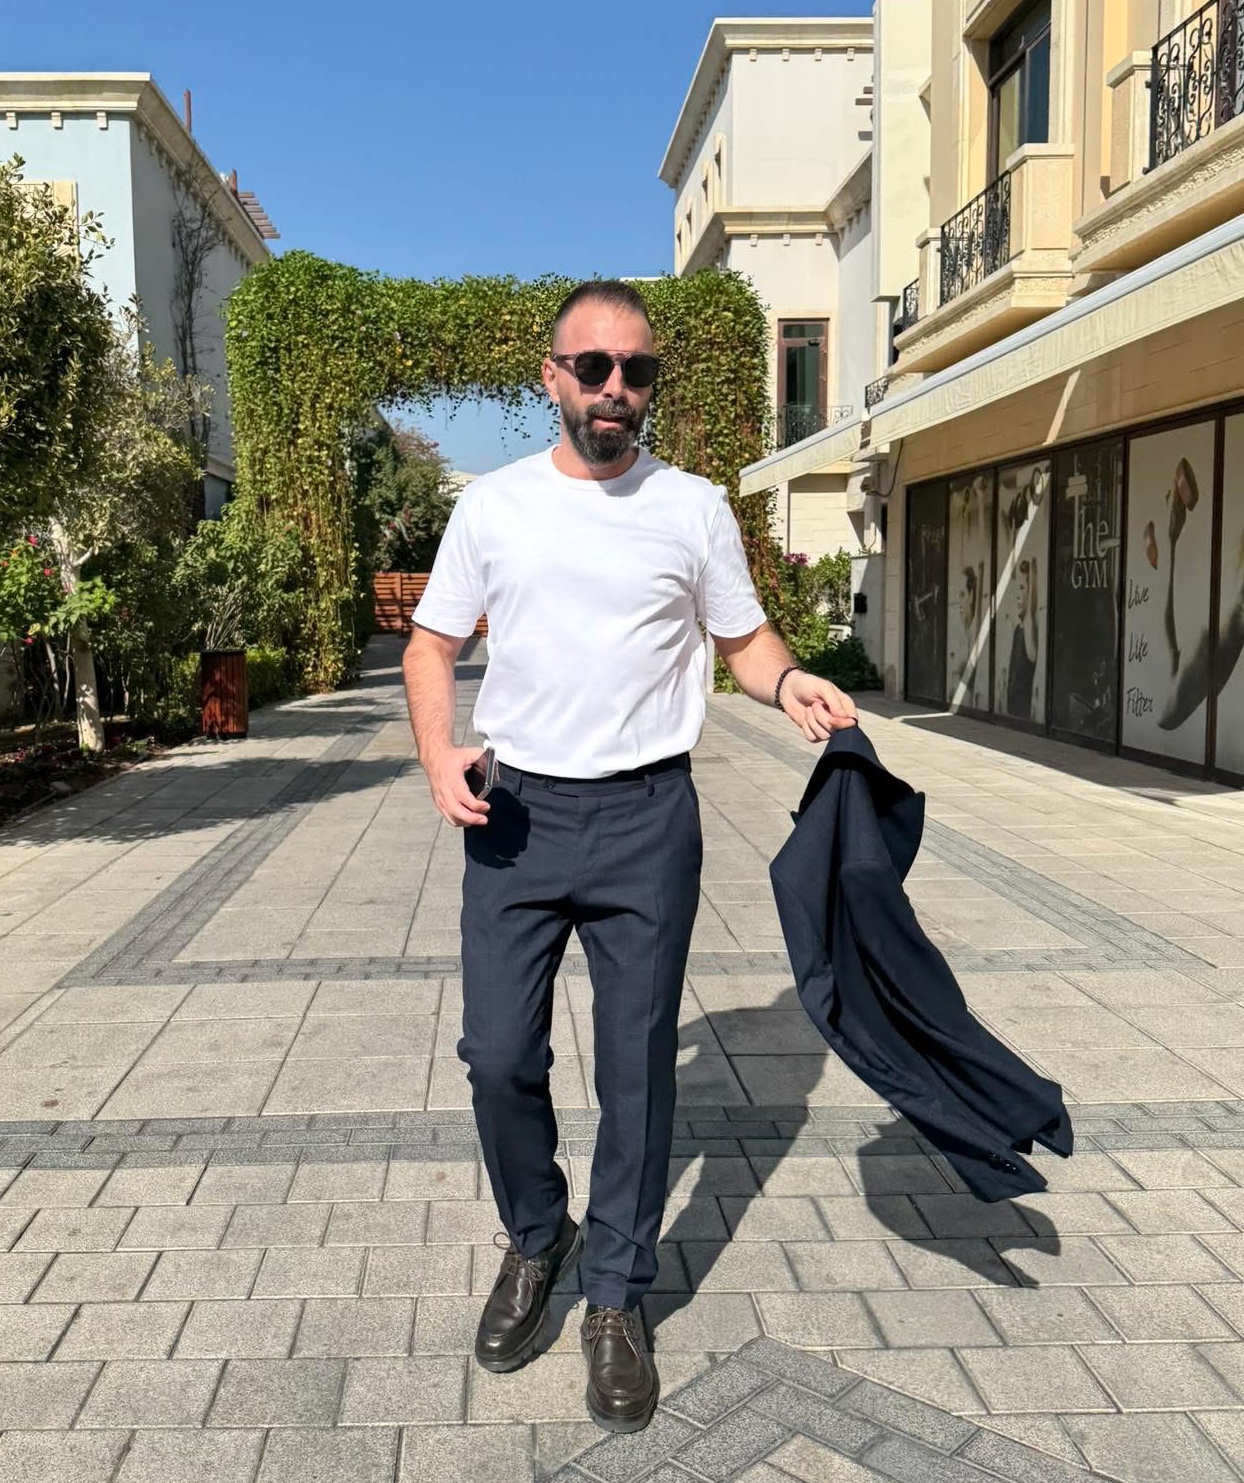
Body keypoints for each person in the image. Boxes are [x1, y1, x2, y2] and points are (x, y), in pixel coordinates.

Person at [401, 280, 857, 1434]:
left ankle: (614, 1293)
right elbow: (430, 644)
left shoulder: (692, 508)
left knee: (638, 1069)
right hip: (514, 814)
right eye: (593, 367)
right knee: (497, 1055)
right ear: (550, 377)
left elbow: (741, 638)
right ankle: (536, 1233)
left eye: (636, 371)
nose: (615, 389)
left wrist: (788, 681)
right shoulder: (493, 507)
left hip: (648, 817)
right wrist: (436, 750)